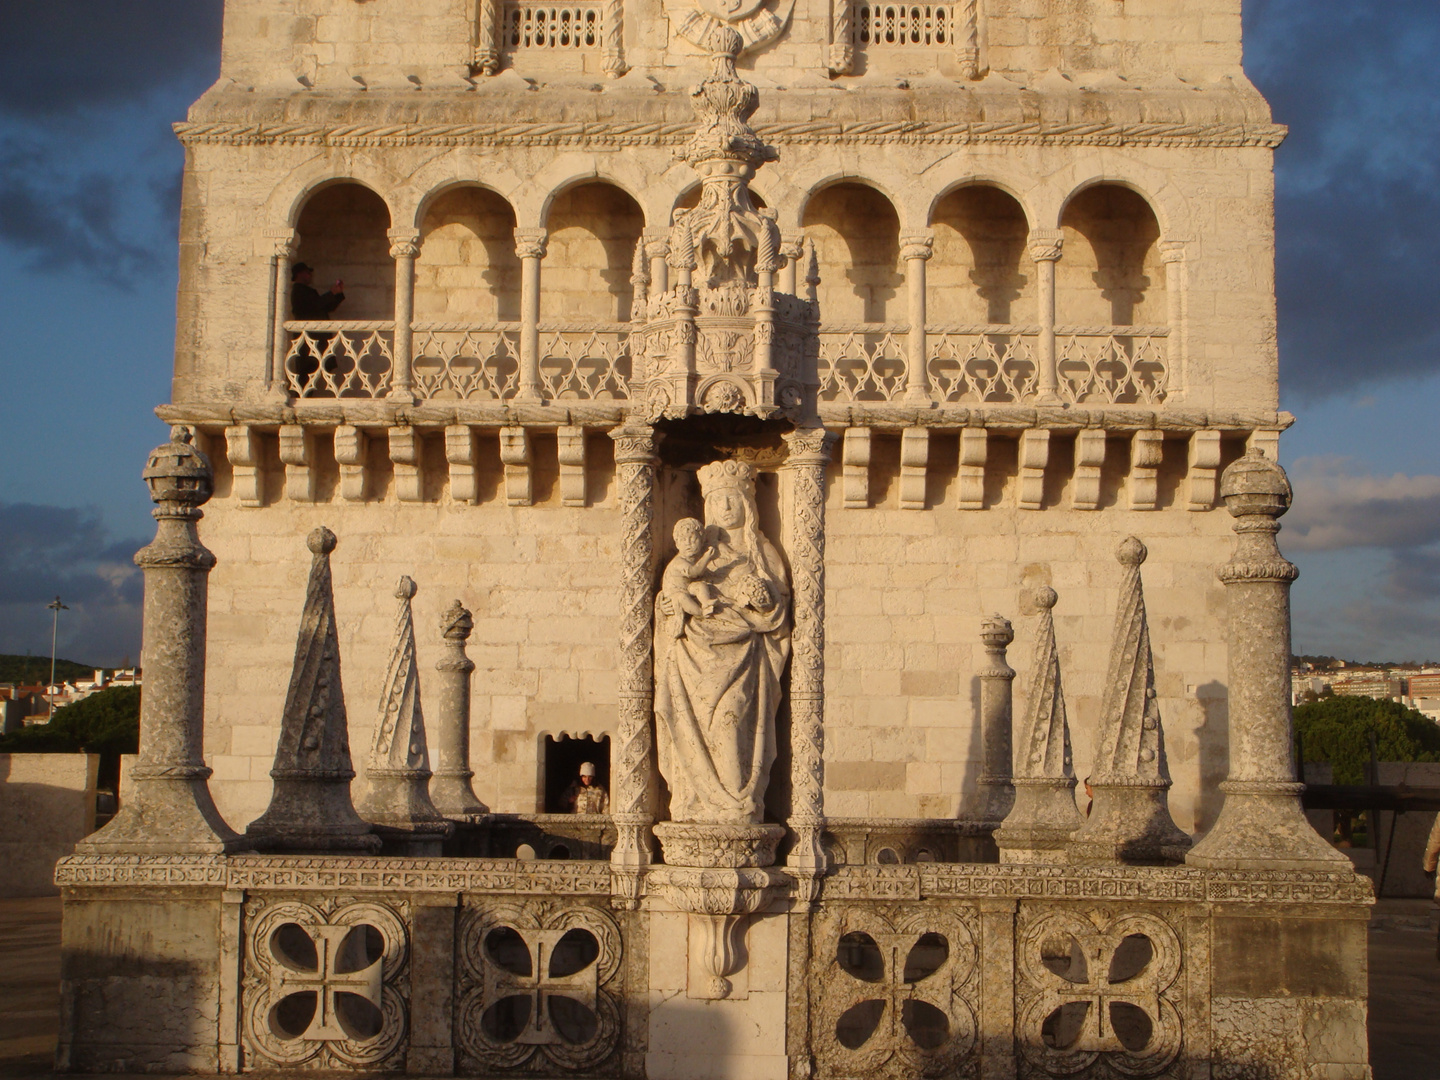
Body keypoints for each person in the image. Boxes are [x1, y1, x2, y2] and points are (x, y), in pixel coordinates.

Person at [654, 459, 791, 825]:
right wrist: (667, 607)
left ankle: (736, 803)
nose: (725, 507)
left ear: (747, 506)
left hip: (745, 658)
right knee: (696, 728)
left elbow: (778, 613)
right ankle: (696, 802)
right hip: (694, 658)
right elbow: (673, 592)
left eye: (732, 499)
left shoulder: (761, 553)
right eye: (717, 501)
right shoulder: (696, 556)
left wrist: (763, 600)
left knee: (730, 727)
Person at [660, 518, 719, 639]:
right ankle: (701, 613)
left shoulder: (700, 558)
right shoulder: (679, 562)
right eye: (683, 539)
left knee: (700, 586)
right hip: (676, 594)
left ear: (702, 540)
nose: (688, 543)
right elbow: (694, 572)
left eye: (693, 538)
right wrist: (707, 558)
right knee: (682, 597)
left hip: (688, 588)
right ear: (676, 544)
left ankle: (706, 603)